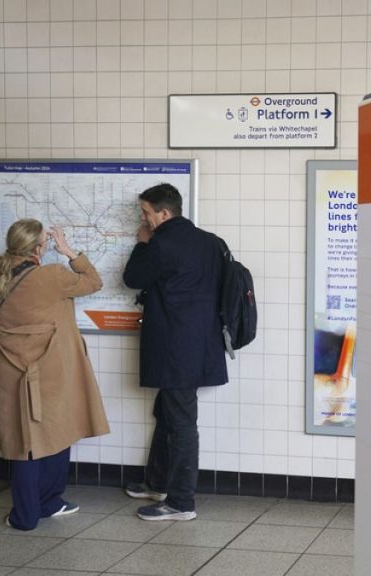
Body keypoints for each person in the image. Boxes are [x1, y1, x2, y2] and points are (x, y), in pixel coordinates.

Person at [0, 219, 109, 531]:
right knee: (56, 434)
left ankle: (24, 515)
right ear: (39, 248)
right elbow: (93, 280)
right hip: (52, 370)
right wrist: (70, 251)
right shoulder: (53, 275)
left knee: (23, 443)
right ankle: (48, 503)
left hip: (10, 371)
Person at [122, 183, 227, 521]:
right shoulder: (212, 243)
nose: (144, 218)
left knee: (181, 422)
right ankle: (157, 483)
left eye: (146, 213)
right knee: (167, 414)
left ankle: (181, 502)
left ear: (163, 213)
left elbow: (132, 277)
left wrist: (141, 243)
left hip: (174, 348)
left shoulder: (161, 244)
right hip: (201, 345)